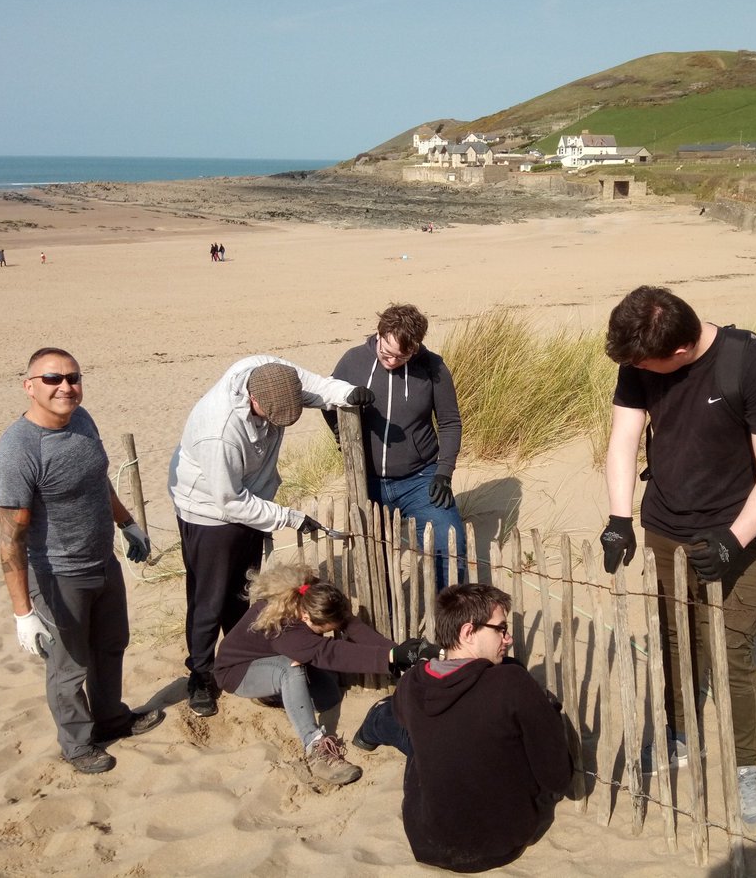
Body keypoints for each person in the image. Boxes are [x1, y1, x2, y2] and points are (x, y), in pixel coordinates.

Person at [600, 286, 756, 837]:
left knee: (733, 653)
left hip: (739, 531)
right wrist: (620, 517)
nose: (639, 371)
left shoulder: (751, 366)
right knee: (673, 636)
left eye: (647, 365)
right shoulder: (639, 356)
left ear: (682, 348)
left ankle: (746, 768)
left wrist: (734, 538)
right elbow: (623, 440)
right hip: (666, 525)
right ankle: (679, 733)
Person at [169, 356, 374, 718]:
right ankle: (200, 675)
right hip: (208, 513)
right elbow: (229, 501)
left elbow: (315, 385)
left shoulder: (273, 373)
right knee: (208, 600)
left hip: (253, 502)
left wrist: (347, 393)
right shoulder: (220, 433)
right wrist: (289, 518)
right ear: (254, 401)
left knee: (241, 594)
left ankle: (244, 661)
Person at [0, 347, 162, 774]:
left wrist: (127, 523)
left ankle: (111, 719)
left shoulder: (82, 422)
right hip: (56, 575)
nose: (65, 387)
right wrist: (22, 613)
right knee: (68, 667)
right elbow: (11, 539)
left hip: (102, 562)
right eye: (52, 379)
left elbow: (96, 478)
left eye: (73, 377)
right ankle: (78, 744)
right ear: (29, 387)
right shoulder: (18, 451)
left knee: (110, 646)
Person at [367, 583, 570, 872]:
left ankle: (372, 726)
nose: (508, 638)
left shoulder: (412, 682)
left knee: (420, 733)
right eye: (500, 628)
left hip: (426, 840)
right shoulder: (512, 682)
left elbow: (403, 717)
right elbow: (557, 778)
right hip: (499, 843)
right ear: (467, 632)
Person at [213, 563, 439, 785]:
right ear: (306, 618)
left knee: (328, 697)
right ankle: (315, 747)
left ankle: (271, 696)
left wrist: (395, 652)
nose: (331, 633)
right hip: (239, 671)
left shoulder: (315, 595)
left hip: (280, 657)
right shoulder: (286, 630)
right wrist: (388, 658)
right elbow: (330, 652)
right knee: (290, 669)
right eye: (326, 631)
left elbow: (351, 625)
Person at [325, 303, 465, 588]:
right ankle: (386, 620)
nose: (391, 361)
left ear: (415, 348)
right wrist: (343, 431)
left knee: (451, 546)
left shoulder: (433, 367)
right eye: (386, 353)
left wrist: (444, 472)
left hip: (421, 478)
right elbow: (326, 400)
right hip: (368, 481)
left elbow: (450, 423)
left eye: (401, 357)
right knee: (376, 556)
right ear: (379, 334)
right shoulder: (353, 361)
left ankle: (449, 625)